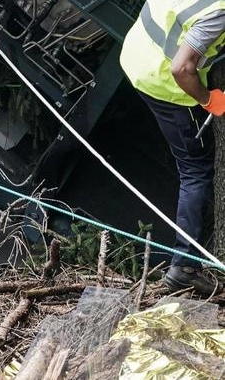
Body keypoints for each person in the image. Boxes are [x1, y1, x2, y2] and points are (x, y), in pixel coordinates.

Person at [119, 1, 225, 295]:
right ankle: (184, 267)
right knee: (195, 171)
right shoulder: (218, 13)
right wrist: (208, 100)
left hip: (137, 57)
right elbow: (181, 67)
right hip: (166, 79)